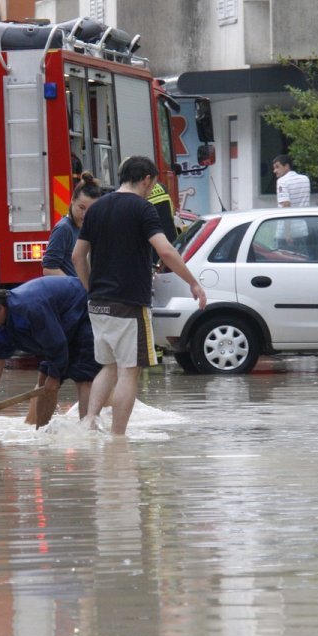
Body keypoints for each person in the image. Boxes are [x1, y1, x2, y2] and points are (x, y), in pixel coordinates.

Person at [72, 155, 207, 436]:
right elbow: (166, 251)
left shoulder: (96, 209)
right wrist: (193, 282)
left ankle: (88, 423)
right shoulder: (143, 209)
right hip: (129, 303)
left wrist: (90, 289)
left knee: (108, 367)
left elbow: (77, 256)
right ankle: (118, 438)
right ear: (147, 179)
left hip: (98, 304)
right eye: (152, 183)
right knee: (128, 372)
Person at [0, 277, 101, 426]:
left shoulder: (30, 309)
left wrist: (55, 376)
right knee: (44, 382)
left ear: (0, 308)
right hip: (57, 326)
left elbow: (56, 343)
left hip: (81, 312)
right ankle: (41, 431)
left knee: (84, 376)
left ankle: (88, 430)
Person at [42, 172, 102, 277]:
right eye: (81, 208)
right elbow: (49, 268)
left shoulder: (88, 228)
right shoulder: (64, 229)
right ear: (72, 200)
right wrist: (76, 285)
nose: (85, 215)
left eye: (91, 210)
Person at [273, 154, 311, 249]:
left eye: (277, 167)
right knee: (303, 260)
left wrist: (287, 232)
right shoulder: (305, 179)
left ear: (287, 166)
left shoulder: (282, 181)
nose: (275, 171)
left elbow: (286, 206)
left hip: (286, 232)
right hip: (302, 229)